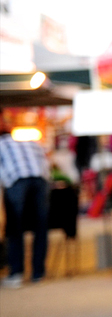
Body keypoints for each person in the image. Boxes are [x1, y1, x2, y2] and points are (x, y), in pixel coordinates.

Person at [0, 120, 50, 288]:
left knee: (15, 228)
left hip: (16, 181)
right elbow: (45, 164)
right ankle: (38, 273)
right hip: (40, 180)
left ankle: (16, 273)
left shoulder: (2, 144)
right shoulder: (29, 142)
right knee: (40, 227)